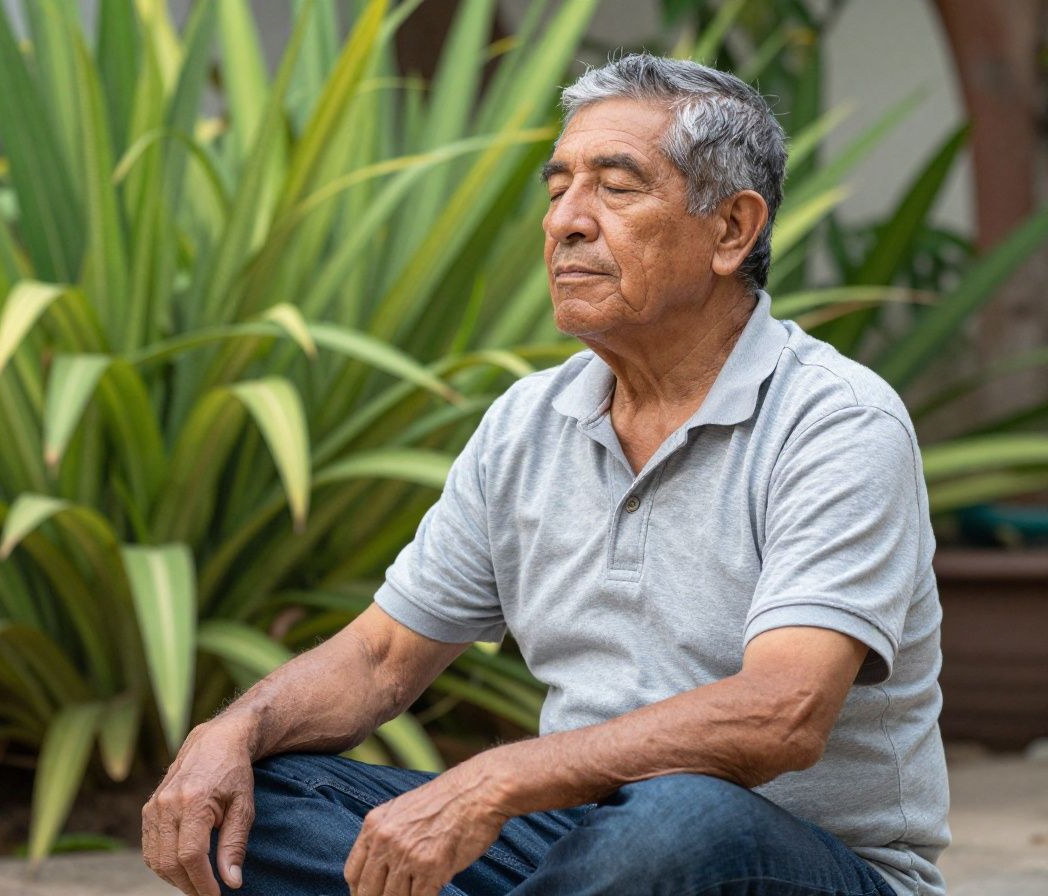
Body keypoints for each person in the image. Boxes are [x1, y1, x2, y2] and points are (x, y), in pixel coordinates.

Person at [142, 54, 950, 896]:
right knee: (255, 798)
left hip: (789, 864)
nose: (565, 220)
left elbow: (782, 713)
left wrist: (493, 781)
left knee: (678, 823)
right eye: (557, 185)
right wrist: (232, 729)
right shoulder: (528, 423)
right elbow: (380, 660)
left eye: (615, 186)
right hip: (576, 843)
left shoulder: (836, 422)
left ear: (731, 231)